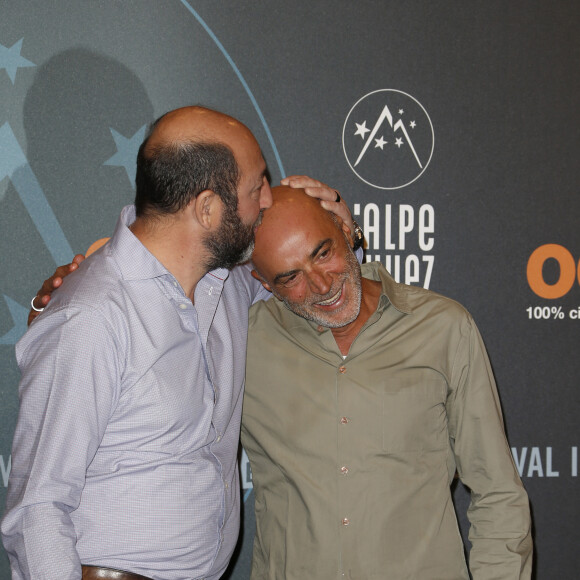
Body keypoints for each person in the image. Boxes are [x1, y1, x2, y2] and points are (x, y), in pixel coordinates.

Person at [1, 106, 353, 580]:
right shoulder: (92, 317)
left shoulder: (225, 281)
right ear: (207, 209)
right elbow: (38, 507)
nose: (269, 199)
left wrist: (327, 218)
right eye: (258, 187)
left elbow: (304, 280)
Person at [241, 186, 533, 579]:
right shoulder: (241, 345)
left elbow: (498, 494)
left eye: (322, 253)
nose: (322, 286)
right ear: (263, 283)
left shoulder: (443, 327)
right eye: (291, 276)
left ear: (348, 231)